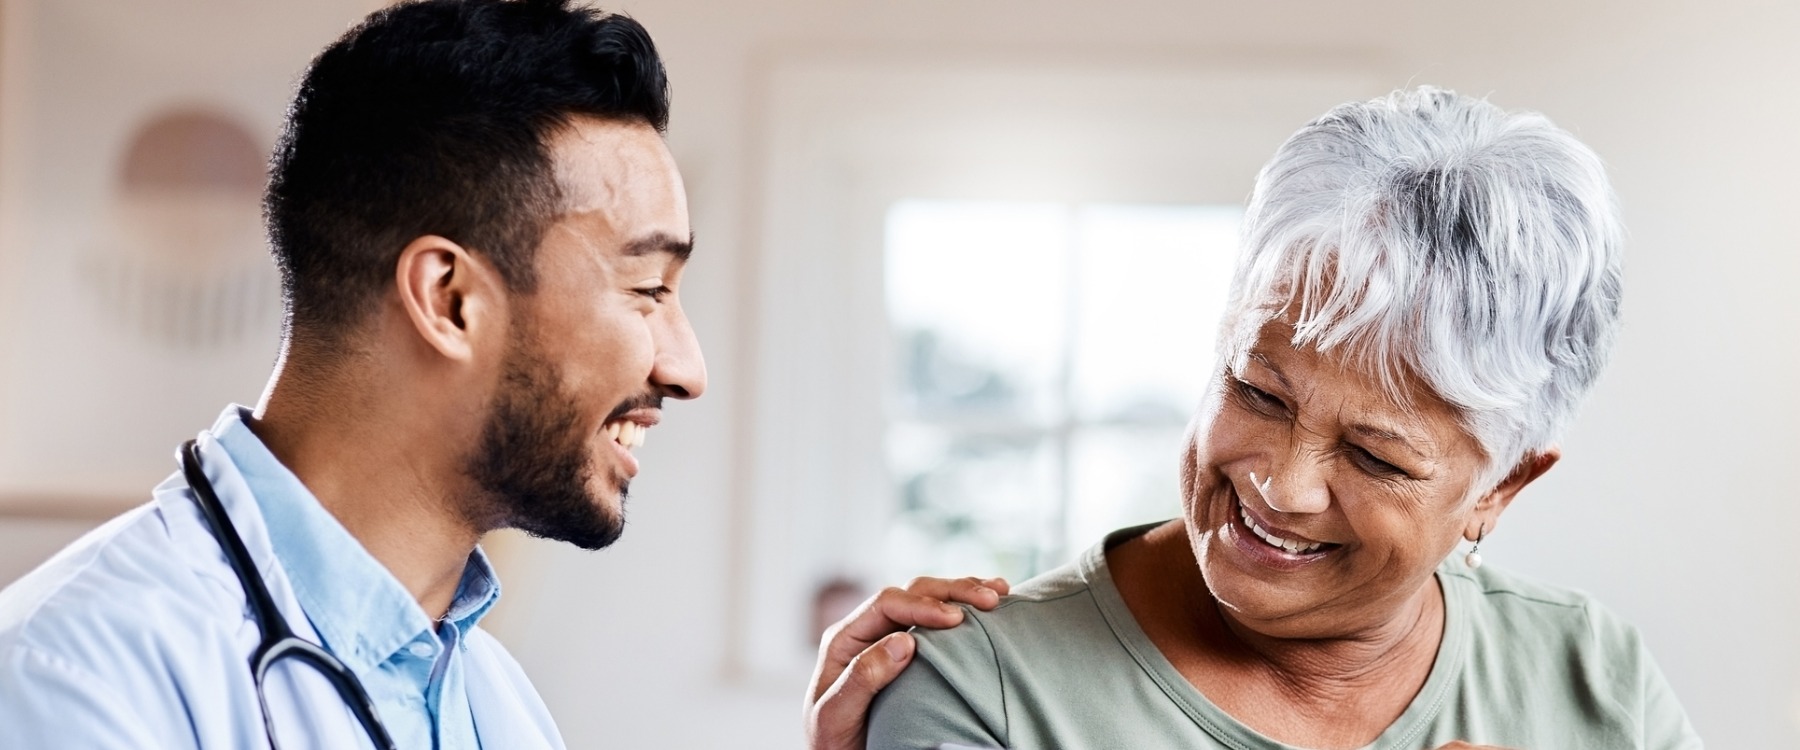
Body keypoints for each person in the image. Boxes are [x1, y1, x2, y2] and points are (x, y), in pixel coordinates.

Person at [0, 1, 999, 747]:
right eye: (648, 289)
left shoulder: (488, 696)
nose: (687, 370)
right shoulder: (72, 678)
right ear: (451, 300)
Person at [867, 87, 1705, 750]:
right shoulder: (978, 689)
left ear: (1503, 485)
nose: (1281, 483)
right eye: (1258, 393)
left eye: (1376, 457)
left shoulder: (1598, 678)